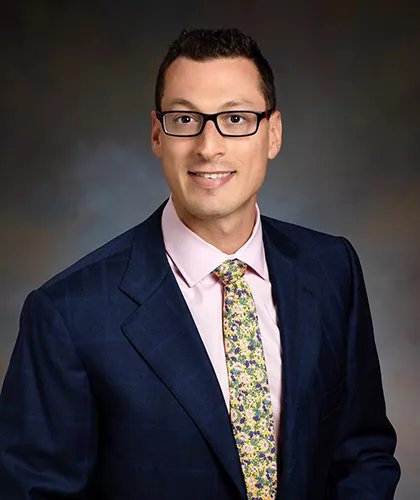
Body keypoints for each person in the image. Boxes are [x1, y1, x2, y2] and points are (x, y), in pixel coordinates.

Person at [0, 28, 400, 499]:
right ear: (157, 133)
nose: (209, 147)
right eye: (185, 119)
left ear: (273, 133)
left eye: (236, 118)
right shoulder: (68, 314)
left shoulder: (332, 270)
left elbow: (363, 453)